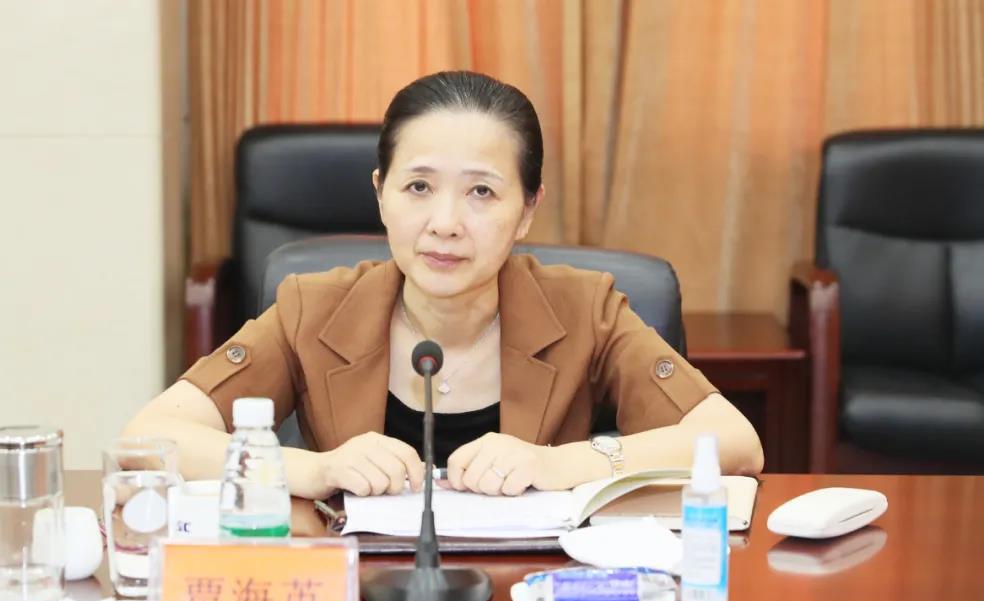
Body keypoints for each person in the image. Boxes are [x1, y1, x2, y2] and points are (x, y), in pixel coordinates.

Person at [125, 70, 763, 500]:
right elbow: (149, 440)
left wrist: (561, 463)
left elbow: (735, 442)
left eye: (481, 191)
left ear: (528, 209)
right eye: (419, 187)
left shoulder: (584, 308)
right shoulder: (311, 308)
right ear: (381, 194)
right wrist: (313, 469)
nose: (446, 223)